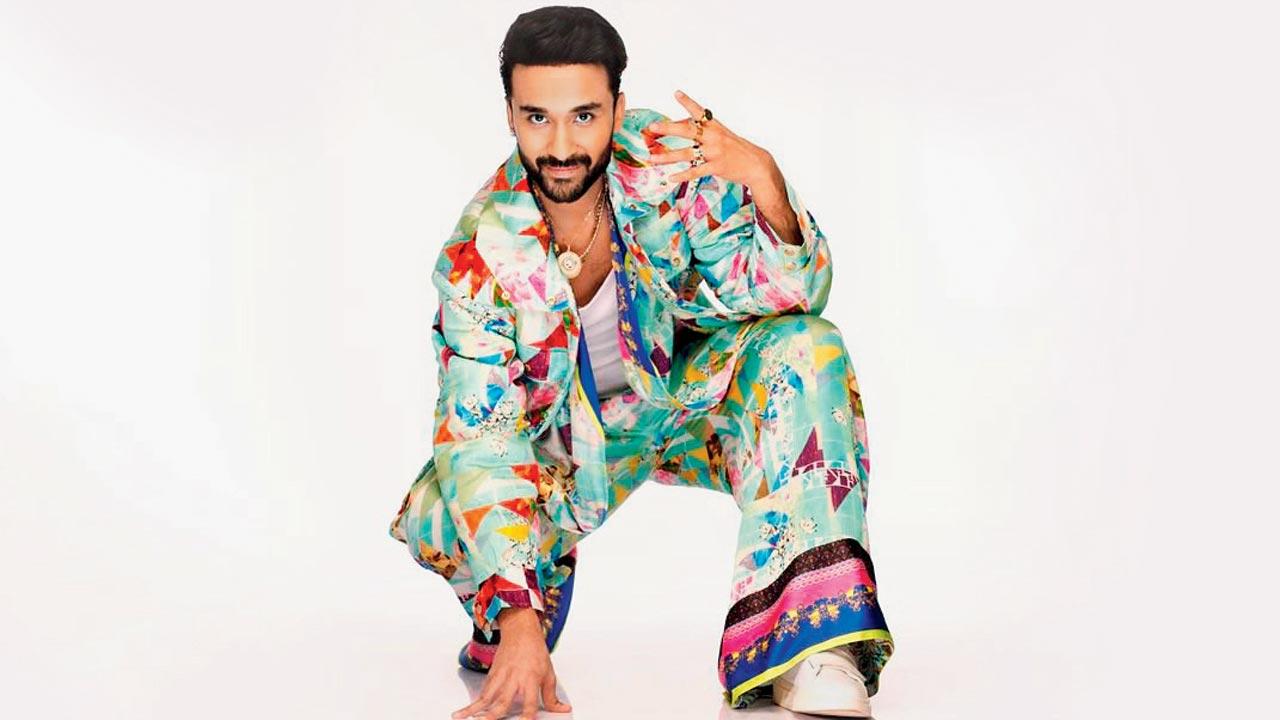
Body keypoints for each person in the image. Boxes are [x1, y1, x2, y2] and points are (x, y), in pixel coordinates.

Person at [387, 6, 894, 718]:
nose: (562, 145)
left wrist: (765, 181)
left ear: (617, 109)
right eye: (537, 118)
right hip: (569, 457)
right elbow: (481, 437)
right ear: (509, 115)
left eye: (584, 116)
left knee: (808, 347)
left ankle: (810, 645)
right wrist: (519, 616)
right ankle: (517, 613)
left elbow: (792, 297)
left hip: (689, 405)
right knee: (439, 508)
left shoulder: (667, 162)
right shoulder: (477, 255)